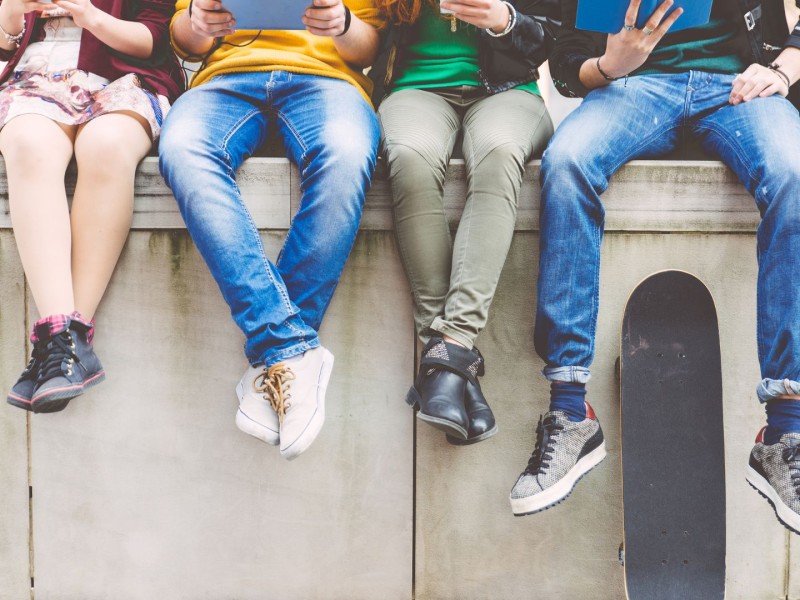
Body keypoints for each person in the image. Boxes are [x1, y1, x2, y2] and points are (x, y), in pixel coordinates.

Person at [509, 0, 800, 531]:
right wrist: (609, 64)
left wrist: (785, 65)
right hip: (632, 89)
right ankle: (570, 412)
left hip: (739, 87)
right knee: (567, 163)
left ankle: (786, 430)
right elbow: (565, 53)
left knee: (794, 175)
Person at [158, 1, 384, 460]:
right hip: (224, 80)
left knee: (345, 157)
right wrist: (199, 23)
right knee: (182, 148)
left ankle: (275, 359)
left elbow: (369, 49)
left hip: (330, 80)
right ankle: (289, 348)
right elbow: (184, 40)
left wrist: (340, 24)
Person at [371, 0, 558, 445]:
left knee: (498, 153)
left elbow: (556, 37)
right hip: (414, 88)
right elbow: (362, 35)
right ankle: (452, 367)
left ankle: (449, 346)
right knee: (411, 158)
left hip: (508, 91)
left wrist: (504, 20)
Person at [1, 0, 184, 413]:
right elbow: (3, 45)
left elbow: (156, 37)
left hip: (123, 81)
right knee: (28, 146)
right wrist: (12, 11)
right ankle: (64, 345)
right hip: (33, 79)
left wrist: (89, 15)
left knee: (106, 146)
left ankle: (62, 345)